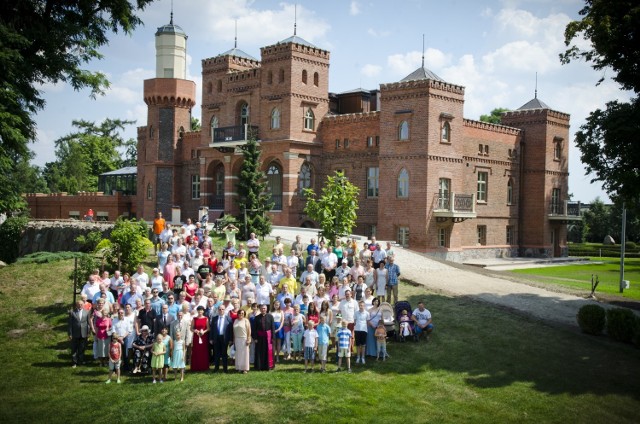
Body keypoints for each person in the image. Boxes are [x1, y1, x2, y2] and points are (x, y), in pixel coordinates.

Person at [210, 305, 233, 372]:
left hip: (224, 338)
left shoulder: (228, 318)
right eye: (220, 309)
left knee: (224, 354)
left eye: (222, 309)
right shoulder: (214, 318)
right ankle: (216, 368)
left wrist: (231, 339)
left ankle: (225, 369)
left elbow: (231, 330)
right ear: (218, 310)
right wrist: (211, 338)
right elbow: (212, 329)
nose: (221, 310)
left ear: (224, 310)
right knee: (216, 353)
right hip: (216, 338)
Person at [251, 304, 275, 370]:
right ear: (260, 309)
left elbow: (272, 327)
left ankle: (268, 366)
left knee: (268, 351)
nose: (263, 309)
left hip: (268, 337)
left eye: (264, 308)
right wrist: (255, 338)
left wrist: (273, 338)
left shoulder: (270, 317)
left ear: (266, 309)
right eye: (262, 308)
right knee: (259, 351)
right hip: (259, 338)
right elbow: (254, 329)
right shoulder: (257, 317)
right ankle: (259, 366)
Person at [68, 300, 91, 367]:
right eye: (79, 304)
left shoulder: (86, 312)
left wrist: (88, 333)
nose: (80, 305)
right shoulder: (72, 312)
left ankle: (80, 361)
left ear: (83, 305)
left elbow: (88, 323)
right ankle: (74, 362)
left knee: (82, 348)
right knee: (74, 348)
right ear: (76, 305)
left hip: (83, 333)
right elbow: (70, 324)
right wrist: (70, 334)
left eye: (81, 304)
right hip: (75, 333)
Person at [190, 306, 210, 371]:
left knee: (203, 351)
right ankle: (196, 366)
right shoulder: (194, 319)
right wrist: (195, 331)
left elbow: (208, 328)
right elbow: (191, 328)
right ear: (197, 311)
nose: (200, 312)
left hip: (203, 337)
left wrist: (203, 332)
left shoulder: (206, 318)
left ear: (203, 311)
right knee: (196, 351)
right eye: (199, 310)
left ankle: (204, 366)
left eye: (201, 310)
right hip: (196, 337)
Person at [233, 309, 252, 374]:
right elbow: (234, 331)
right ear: (237, 314)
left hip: (244, 339)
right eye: (240, 313)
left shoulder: (246, 321)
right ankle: (239, 367)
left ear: (244, 314)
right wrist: (233, 340)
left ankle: (245, 368)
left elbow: (249, 331)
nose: (241, 314)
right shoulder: (235, 321)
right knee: (238, 354)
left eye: (242, 313)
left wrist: (248, 339)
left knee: (245, 354)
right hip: (237, 339)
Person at [354, 301, 370, 365]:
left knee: (363, 345)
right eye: (360, 305)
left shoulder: (367, 313)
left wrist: (364, 328)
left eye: (362, 305)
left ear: (364, 306)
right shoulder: (356, 313)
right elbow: (355, 321)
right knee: (358, 345)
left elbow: (367, 322)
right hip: (357, 330)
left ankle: (363, 357)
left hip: (364, 330)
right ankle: (358, 357)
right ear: (358, 306)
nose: (361, 307)